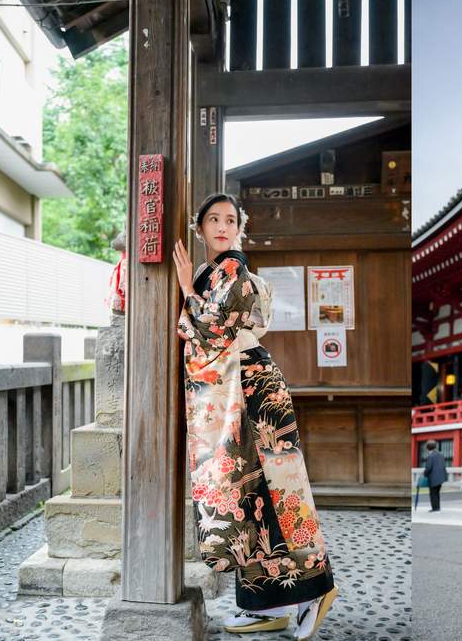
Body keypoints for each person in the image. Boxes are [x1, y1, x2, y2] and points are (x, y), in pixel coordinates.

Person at [174, 193, 337, 639]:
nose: (223, 227)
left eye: (230, 220)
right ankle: (263, 603)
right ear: (200, 228)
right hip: (235, 388)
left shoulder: (232, 270)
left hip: (251, 389)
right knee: (248, 497)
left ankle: (313, 590)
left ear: (239, 228)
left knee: (279, 491)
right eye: (214, 220)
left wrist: (188, 290)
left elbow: (211, 330)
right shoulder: (214, 271)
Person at [422, 441, 448, 512]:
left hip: (433, 478)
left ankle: (435, 508)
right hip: (441, 477)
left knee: (433, 494)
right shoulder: (441, 454)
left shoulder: (430, 456)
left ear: (427, 448)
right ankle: (437, 507)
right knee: (437, 493)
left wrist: (424, 474)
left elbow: (429, 467)